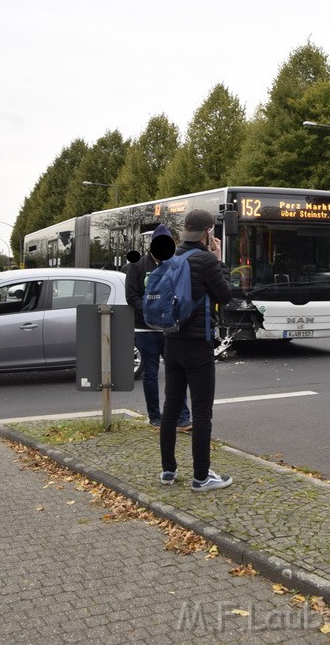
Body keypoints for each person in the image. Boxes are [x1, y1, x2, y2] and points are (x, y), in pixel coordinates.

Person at [158, 209, 234, 492]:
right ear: (207, 233)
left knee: (171, 407)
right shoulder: (205, 260)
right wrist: (220, 261)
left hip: (172, 341)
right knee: (202, 412)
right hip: (198, 345)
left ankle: (168, 471)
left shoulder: (170, 258)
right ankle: (201, 477)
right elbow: (225, 295)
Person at [125, 225, 191, 431]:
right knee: (151, 373)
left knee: (176, 373)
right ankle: (155, 417)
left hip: (169, 328)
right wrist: (148, 308)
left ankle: (182, 416)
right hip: (144, 329)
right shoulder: (137, 266)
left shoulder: (174, 265)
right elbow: (131, 296)